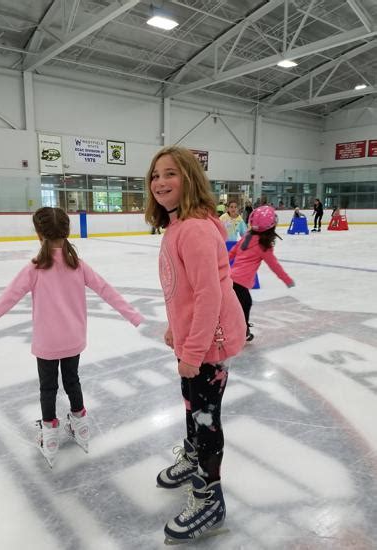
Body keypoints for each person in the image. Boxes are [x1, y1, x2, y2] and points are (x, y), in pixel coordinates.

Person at [0, 207, 143, 467]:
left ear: (39, 233)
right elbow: (107, 291)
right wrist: (134, 316)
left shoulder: (35, 269)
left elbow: (1, 305)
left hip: (47, 344)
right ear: (67, 231)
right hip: (73, 341)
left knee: (48, 388)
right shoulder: (78, 265)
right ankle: (80, 424)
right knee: (73, 381)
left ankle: (49, 433)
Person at [145, 146, 246, 545]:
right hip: (194, 339)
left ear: (189, 179)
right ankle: (191, 458)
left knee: (207, 420)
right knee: (193, 406)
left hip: (209, 344)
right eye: (155, 176)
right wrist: (176, 328)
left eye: (170, 174)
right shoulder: (178, 226)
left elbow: (209, 297)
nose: (160, 183)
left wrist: (192, 351)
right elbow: (182, 292)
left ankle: (210, 501)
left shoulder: (195, 229)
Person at [229, 205, 295, 342]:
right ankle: (242, 331)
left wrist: (221, 262)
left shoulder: (247, 236)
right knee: (245, 305)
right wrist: (287, 280)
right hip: (240, 282)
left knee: (240, 305)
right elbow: (274, 265)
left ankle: (238, 328)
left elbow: (234, 251)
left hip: (230, 278)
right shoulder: (264, 245)